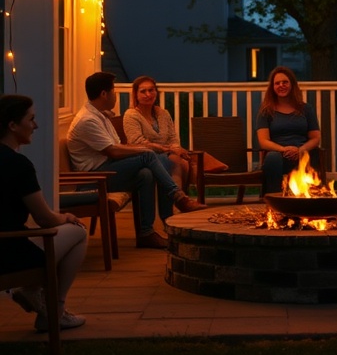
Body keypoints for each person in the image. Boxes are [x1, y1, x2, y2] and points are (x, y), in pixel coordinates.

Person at [67, 72, 203, 252]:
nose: (116, 95)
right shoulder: (88, 120)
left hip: (105, 170)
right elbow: (113, 151)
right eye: (113, 91)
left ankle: (146, 233)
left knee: (145, 174)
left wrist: (149, 150)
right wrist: (145, 150)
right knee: (149, 156)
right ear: (103, 94)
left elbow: (117, 147)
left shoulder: (100, 116)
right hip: (93, 178)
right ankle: (178, 198)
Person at [0, 94, 87, 331]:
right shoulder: (18, 165)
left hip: (8, 241)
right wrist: (66, 218)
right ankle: (55, 311)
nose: (36, 125)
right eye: (31, 119)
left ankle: (35, 296)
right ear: (13, 125)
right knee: (78, 231)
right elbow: (45, 218)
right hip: (8, 252)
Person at [256, 66, 321, 194]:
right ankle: (274, 197)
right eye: (277, 83)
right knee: (273, 158)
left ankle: (309, 200)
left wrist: (300, 150)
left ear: (292, 84)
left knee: (312, 154)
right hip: (278, 154)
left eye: (285, 82)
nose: (281, 85)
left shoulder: (306, 109)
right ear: (272, 87)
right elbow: (263, 141)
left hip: (302, 153)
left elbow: (315, 138)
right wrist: (283, 149)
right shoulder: (266, 111)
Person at [123, 75, 194, 193]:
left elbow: (172, 137)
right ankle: (177, 202)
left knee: (184, 161)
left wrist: (176, 148)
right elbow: (138, 142)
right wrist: (169, 149)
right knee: (176, 163)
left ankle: (178, 200)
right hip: (145, 156)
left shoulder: (163, 113)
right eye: (143, 91)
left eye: (151, 90)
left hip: (167, 153)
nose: (148, 94)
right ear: (136, 94)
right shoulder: (131, 115)